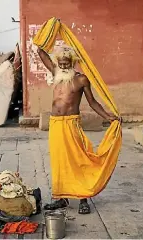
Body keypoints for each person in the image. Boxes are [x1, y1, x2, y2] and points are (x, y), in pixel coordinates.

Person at [37, 45, 119, 214]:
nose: (64, 66)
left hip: (71, 123)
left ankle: (83, 199)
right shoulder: (55, 72)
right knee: (58, 161)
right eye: (61, 63)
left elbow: (93, 102)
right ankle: (61, 198)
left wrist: (107, 116)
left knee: (78, 159)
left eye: (66, 63)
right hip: (55, 124)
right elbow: (40, 51)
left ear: (72, 62)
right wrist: (50, 31)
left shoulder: (81, 79)